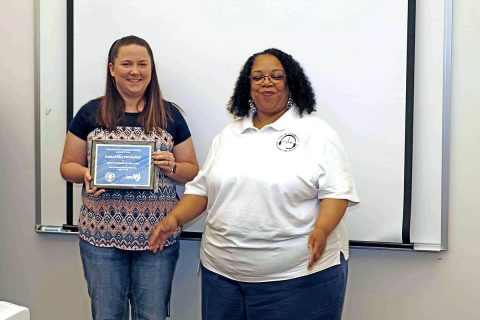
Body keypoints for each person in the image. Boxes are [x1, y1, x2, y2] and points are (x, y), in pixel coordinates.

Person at [149, 48, 359, 320]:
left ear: (291, 83)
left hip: (298, 277)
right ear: (247, 87)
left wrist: (322, 229)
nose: (266, 82)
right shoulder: (228, 135)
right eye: (257, 77)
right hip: (222, 277)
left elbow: (336, 194)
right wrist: (173, 219)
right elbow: (201, 191)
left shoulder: (317, 133)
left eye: (276, 76)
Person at [60, 35, 199, 320]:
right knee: (107, 315)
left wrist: (172, 166)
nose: (135, 71)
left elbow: (192, 171)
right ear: (112, 69)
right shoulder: (89, 113)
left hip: (157, 238)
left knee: (152, 315)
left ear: (151, 69)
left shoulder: (170, 115)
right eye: (126, 63)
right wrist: (86, 173)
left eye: (142, 64)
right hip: (100, 238)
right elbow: (67, 166)